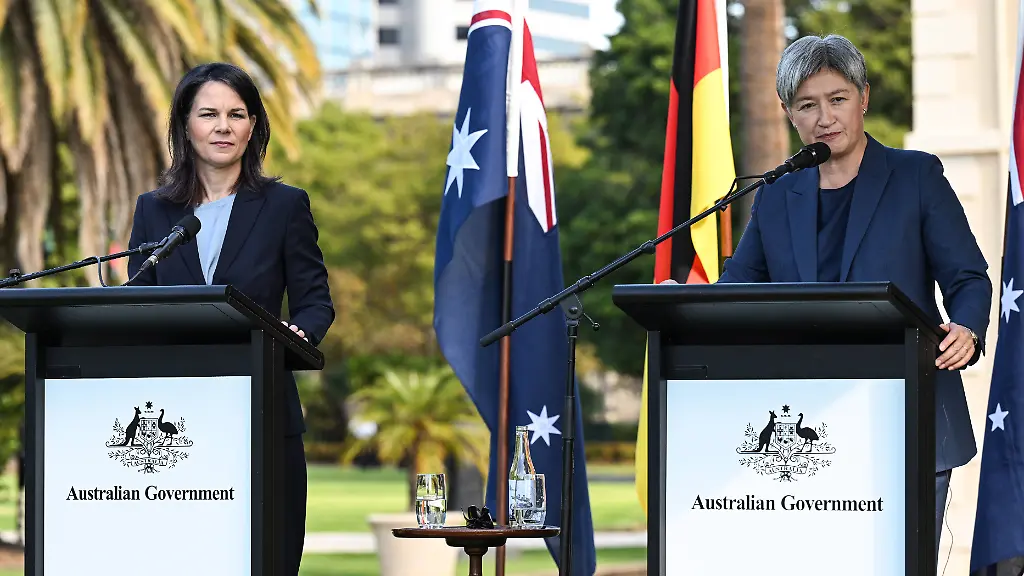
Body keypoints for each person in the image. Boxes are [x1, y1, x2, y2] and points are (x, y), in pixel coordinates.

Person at [717, 34, 992, 558]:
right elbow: (737, 287)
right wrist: (686, 303)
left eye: (837, 99)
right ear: (788, 113)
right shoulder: (777, 192)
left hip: (911, 415)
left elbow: (967, 277)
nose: (825, 117)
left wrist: (967, 328)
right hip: (808, 429)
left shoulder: (915, 175)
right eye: (807, 105)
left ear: (863, 97)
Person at [126, 62, 335, 575]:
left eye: (237, 114)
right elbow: (135, 302)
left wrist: (299, 332)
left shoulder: (285, 205)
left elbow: (315, 301)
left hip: (264, 412)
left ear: (253, 127)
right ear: (185, 125)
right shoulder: (154, 211)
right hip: (175, 426)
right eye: (209, 114)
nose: (223, 126)